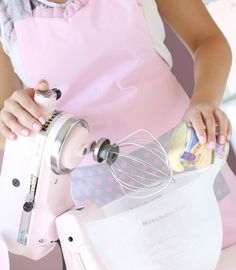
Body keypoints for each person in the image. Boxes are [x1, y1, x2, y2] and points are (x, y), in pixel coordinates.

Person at [0, 0, 235, 247]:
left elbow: (207, 39)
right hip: (100, 201)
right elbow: (6, 133)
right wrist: (13, 116)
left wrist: (205, 101)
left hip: (188, 160)